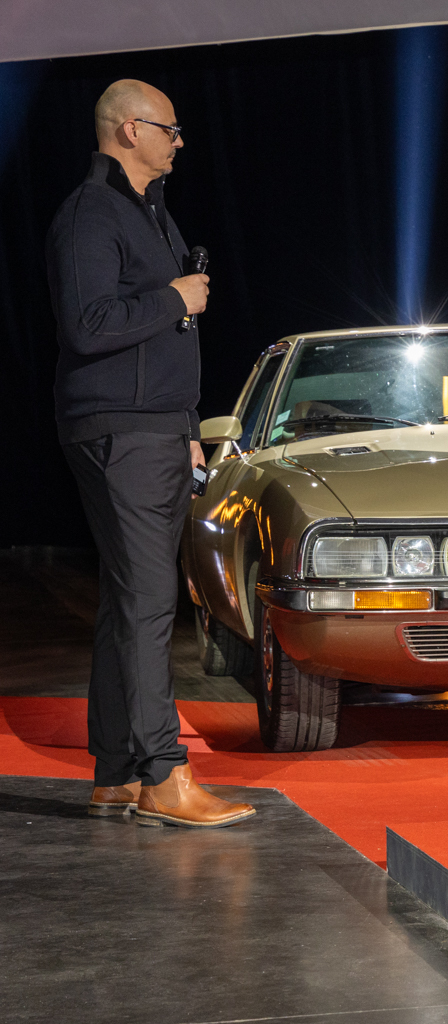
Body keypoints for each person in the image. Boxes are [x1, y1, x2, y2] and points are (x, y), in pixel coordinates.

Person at [45, 80, 255, 826]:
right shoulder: (89, 213)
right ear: (131, 130)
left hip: (157, 428)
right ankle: (165, 775)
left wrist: (186, 426)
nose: (179, 141)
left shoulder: (150, 211)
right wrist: (174, 298)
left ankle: (116, 774)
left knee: (127, 601)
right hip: (119, 430)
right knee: (147, 601)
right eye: (170, 129)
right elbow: (88, 324)